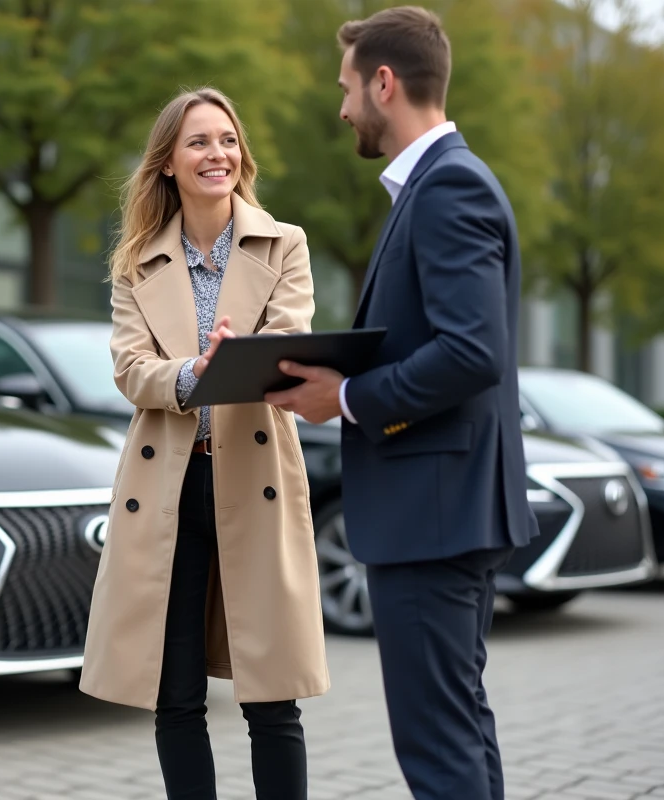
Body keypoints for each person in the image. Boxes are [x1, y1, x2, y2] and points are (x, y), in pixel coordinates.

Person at [263, 7, 538, 800]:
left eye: (347, 87)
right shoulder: (438, 184)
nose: (342, 107)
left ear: (385, 83)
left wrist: (346, 395)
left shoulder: (448, 186)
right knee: (457, 728)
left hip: (433, 518)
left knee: (438, 744)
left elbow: (471, 352)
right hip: (444, 511)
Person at [78, 87, 330, 800]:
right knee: (176, 693)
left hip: (255, 479)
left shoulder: (285, 243)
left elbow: (288, 344)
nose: (216, 153)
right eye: (198, 142)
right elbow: (131, 371)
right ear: (167, 163)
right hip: (170, 488)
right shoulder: (136, 261)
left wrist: (241, 359)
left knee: (272, 694)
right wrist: (196, 372)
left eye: (226, 139)